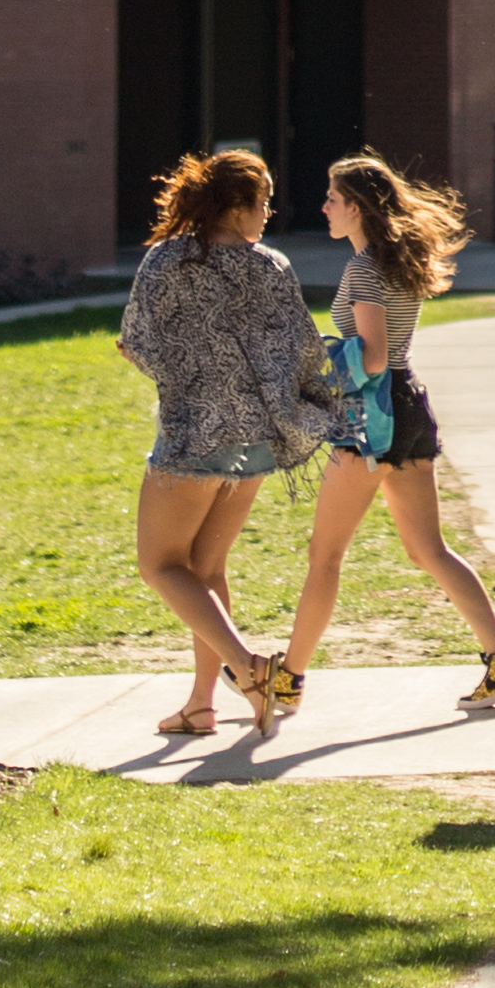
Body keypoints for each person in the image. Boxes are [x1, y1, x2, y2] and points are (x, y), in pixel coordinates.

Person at [258, 149, 495, 720]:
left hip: (373, 420)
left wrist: (311, 365)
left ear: (356, 207)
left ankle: (288, 680)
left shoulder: (363, 269)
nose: (324, 207)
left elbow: (374, 357)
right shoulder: (390, 260)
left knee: (325, 555)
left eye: (333, 199)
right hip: (409, 409)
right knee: (428, 549)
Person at [118, 144, 335, 736]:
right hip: (258, 439)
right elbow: (306, 349)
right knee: (207, 567)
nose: (268, 213)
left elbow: (136, 342)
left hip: (194, 438)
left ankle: (248, 669)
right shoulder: (273, 266)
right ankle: (200, 706)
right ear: (235, 206)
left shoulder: (165, 263)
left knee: (160, 565)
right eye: (262, 202)